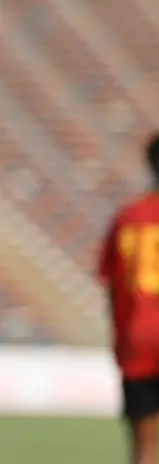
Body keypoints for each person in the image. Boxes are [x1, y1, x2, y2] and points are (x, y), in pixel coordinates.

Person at [99, 133, 159, 464]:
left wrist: (121, 338)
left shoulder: (129, 216)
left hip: (139, 338)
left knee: (145, 451)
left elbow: (111, 284)